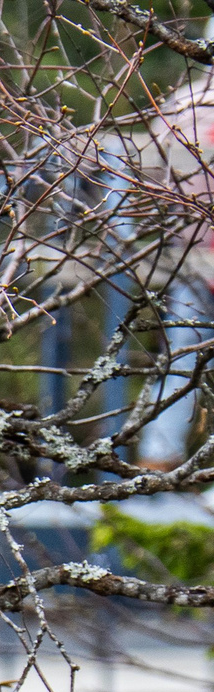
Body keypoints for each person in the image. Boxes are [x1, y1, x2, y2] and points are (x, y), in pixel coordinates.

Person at [140, 80, 214, 469]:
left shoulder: (185, 100)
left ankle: (159, 454)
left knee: (183, 356)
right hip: (199, 254)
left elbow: (149, 168)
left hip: (192, 250)